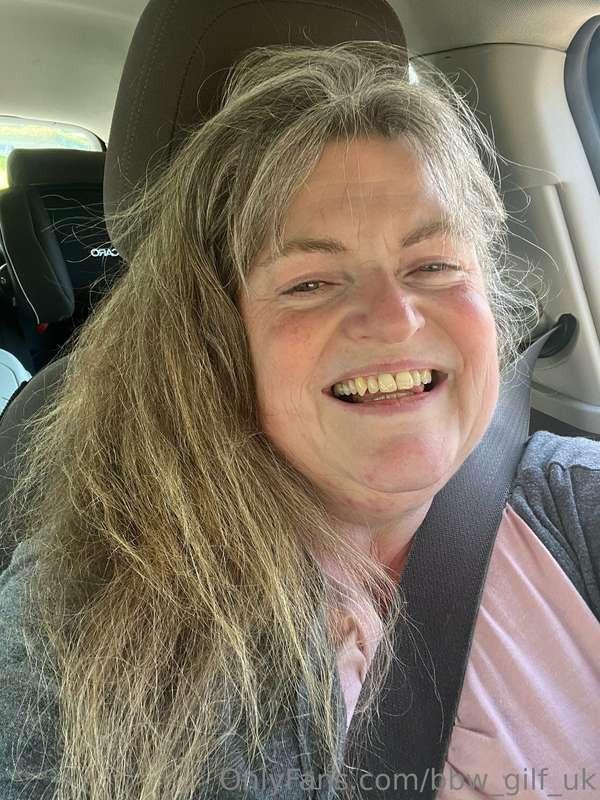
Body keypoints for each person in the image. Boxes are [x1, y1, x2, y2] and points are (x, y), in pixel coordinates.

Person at [1, 40, 599, 800]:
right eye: (310, 282)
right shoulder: (84, 616)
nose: (395, 319)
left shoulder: (575, 507)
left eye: (434, 266)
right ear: (213, 339)